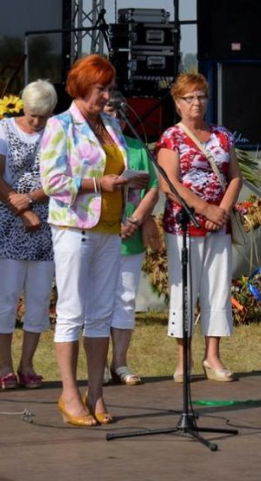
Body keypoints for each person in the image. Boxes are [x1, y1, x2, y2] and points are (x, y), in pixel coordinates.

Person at [40, 55, 149, 426]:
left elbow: (116, 170)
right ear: (82, 88)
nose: (107, 95)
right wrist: (96, 184)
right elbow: (52, 183)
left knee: (103, 312)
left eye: (109, 88)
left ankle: (96, 394)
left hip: (109, 228)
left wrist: (130, 184)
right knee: (72, 310)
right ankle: (69, 394)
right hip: (73, 228)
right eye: (101, 88)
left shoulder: (111, 124)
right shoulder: (60, 125)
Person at [155, 73, 242, 383]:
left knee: (217, 288)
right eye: (189, 98)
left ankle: (213, 355)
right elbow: (169, 183)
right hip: (184, 224)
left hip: (219, 224)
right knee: (185, 289)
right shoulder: (171, 137)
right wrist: (203, 208)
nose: (196, 103)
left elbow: (235, 176)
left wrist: (221, 210)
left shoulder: (222, 135)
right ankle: (184, 359)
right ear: (177, 103)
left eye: (201, 96)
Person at [0, 80, 58, 390]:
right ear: (23, 107)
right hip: (9, 222)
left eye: (43, 116)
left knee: (40, 299)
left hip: (46, 223)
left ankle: (27, 364)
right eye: (33, 116)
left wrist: (32, 200)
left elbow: (61, 176)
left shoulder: (56, 131)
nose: (38, 122)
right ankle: (4, 364)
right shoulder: (3, 129)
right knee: (6, 297)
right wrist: (20, 205)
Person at [104, 92, 162, 386]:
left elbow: (153, 187)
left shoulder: (139, 149)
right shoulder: (92, 150)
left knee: (125, 300)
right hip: (99, 233)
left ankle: (120, 363)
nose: (114, 117)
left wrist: (137, 220)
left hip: (130, 235)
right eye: (108, 111)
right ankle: (98, 363)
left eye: (119, 112)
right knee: (97, 300)